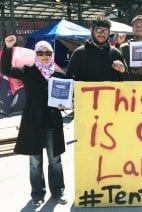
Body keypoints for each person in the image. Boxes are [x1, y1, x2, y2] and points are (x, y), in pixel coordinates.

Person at [1, 35, 68, 206]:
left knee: (55, 160)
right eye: (40, 53)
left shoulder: (59, 73)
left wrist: (67, 104)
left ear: (52, 54)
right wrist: (8, 49)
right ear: (36, 54)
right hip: (33, 122)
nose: (44, 56)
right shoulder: (28, 70)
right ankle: (38, 194)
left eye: (47, 53)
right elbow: (6, 70)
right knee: (35, 161)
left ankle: (58, 191)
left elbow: (68, 95)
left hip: (53, 122)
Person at [66, 16, 127, 81]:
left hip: (110, 91)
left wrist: (122, 71)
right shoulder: (79, 53)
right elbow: (69, 78)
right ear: (91, 30)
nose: (102, 34)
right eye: (98, 30)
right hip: (85, 91)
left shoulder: (115, 53)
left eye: (105, 31)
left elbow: (126, 80)